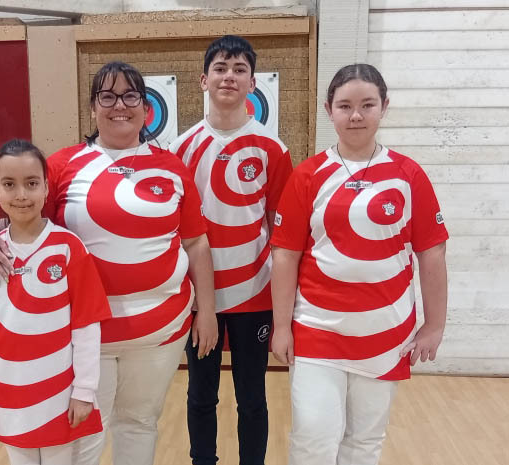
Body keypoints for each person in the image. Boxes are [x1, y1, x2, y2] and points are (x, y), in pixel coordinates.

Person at [0, 61, 217, 465]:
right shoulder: (63, 164)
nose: (119, 105)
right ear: (92, 107)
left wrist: (206, 310)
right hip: (86, 337)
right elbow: (23, 214)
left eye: (130, 96)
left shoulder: (172, 167)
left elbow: (196, 243)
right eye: (108, 96)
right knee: (83, 438)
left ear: (146, 108)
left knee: (140, 423)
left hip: (161, 331)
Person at [270, 63, 449, 465]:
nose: (355, 115)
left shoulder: (409, 175)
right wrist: (281, 327)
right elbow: (284, 255)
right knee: (313, 438)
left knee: (364, 443)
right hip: (317, 331)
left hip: (386, 333)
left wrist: (435, 325)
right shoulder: (308, 175)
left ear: (384, 106)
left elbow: (432, 253)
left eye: (367, 105)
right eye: (345, 106)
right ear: (328, 109)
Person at [169, 35, 293, 465]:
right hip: (199, 298)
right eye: (220, 68)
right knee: (200, 395)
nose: (229, 76)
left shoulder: (273, 149)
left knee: (253, 399)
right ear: (203, 80)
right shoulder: (180, 149)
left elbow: (282, 234)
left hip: (254, 295)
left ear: (253, 83)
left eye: (240, 69)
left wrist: (285, 308)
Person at [0, 139, 112, 465]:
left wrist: (84, 390)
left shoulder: (69, 248)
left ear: (46, 187)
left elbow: (86, 327)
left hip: (60, 394)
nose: (21, 194)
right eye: (9, 184)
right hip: (10, 394)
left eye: (31, 183)